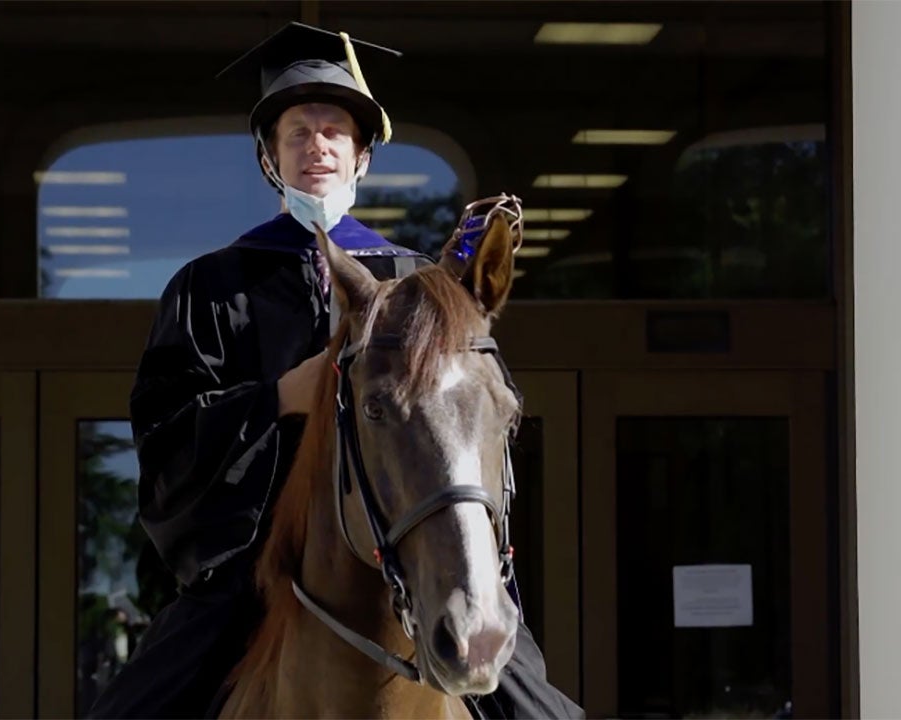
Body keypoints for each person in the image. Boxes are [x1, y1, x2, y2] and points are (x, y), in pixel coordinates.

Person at [86, 21, 583, 720]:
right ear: (270, 159)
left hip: (409, 551)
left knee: (535, 705)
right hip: (259, 569)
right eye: (297, 132)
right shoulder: (211, 288)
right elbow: (166, 442)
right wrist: (278, 398)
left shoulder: (417, 285)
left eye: (333, 131)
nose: (316, 144)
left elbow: (468, 420)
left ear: (361, 158)